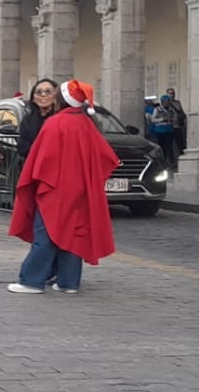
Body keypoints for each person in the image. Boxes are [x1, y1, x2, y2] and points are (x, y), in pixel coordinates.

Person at [8, 80, 119, 294]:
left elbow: (41, 159)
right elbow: (106, 156)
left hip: (55, 188)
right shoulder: (87, 123)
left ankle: (31, 280)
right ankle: (68, 282)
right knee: (73, 233)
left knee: (46, 234)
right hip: (80, 190)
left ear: (61, 100)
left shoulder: (55, 123)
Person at [17, 79, 58, 160]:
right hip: (34, 162)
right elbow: (23, 147)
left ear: (56, 96)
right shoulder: (27, 120)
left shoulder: (62, 118)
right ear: (33, 98)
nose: (43, 95)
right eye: (39, 92)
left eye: (48, 92)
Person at [146, 95, 179, 172]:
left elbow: (175, 118)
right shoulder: (157, 109)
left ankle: (169, 162)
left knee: (169, 147)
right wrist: (162, 119)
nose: (166, 103)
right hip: (160, 131)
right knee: (161, 147)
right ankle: (162, 162)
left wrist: (171, 119)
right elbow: (153, 119)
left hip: (169, 130)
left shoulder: (171, 109)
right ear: (162, 102)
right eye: (165, 102)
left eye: (168, 102)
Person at [166, 87, 187, 152]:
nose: (172, 95)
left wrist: (184, 118)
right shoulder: (165, 103)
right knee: (169, 145)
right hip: (170, 126)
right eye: (170, 93)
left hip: (178, 125)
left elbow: (181, 111)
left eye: (173, 93)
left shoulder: (177, 102)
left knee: (180, 143)